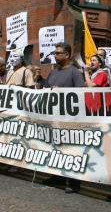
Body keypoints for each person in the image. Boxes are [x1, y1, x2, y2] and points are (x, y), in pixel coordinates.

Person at [44, 42, 85, 193]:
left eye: (58, 53)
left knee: (71, 150)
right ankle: (58, 177)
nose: (55, 55)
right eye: (55, 53)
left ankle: (74, 183)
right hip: (54, 118)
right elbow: (45, 90)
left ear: (67, 55)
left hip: (69, 120)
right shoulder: (53, 72)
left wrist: (62, 92)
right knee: (56, 148)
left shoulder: (75, 72)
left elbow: (80, 93)